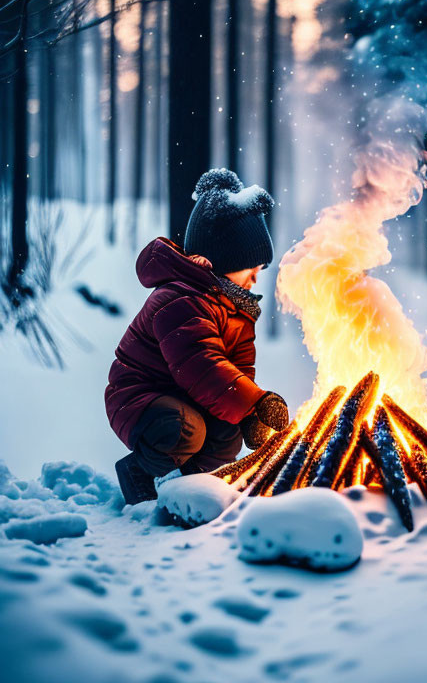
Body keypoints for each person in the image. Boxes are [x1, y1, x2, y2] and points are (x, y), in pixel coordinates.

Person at [105, 168, 289, 504]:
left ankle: (192, 487)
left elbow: (237, 373)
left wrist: (249, 417)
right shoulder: (180, 299)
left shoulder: (237, 312)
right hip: (140, 397)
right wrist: (256, 401)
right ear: (222, 261)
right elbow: (203, 367)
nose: (255, 279)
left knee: (227, 434)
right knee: (185, 428)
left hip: (184, 396)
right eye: (251, 268)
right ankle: (139, 474)